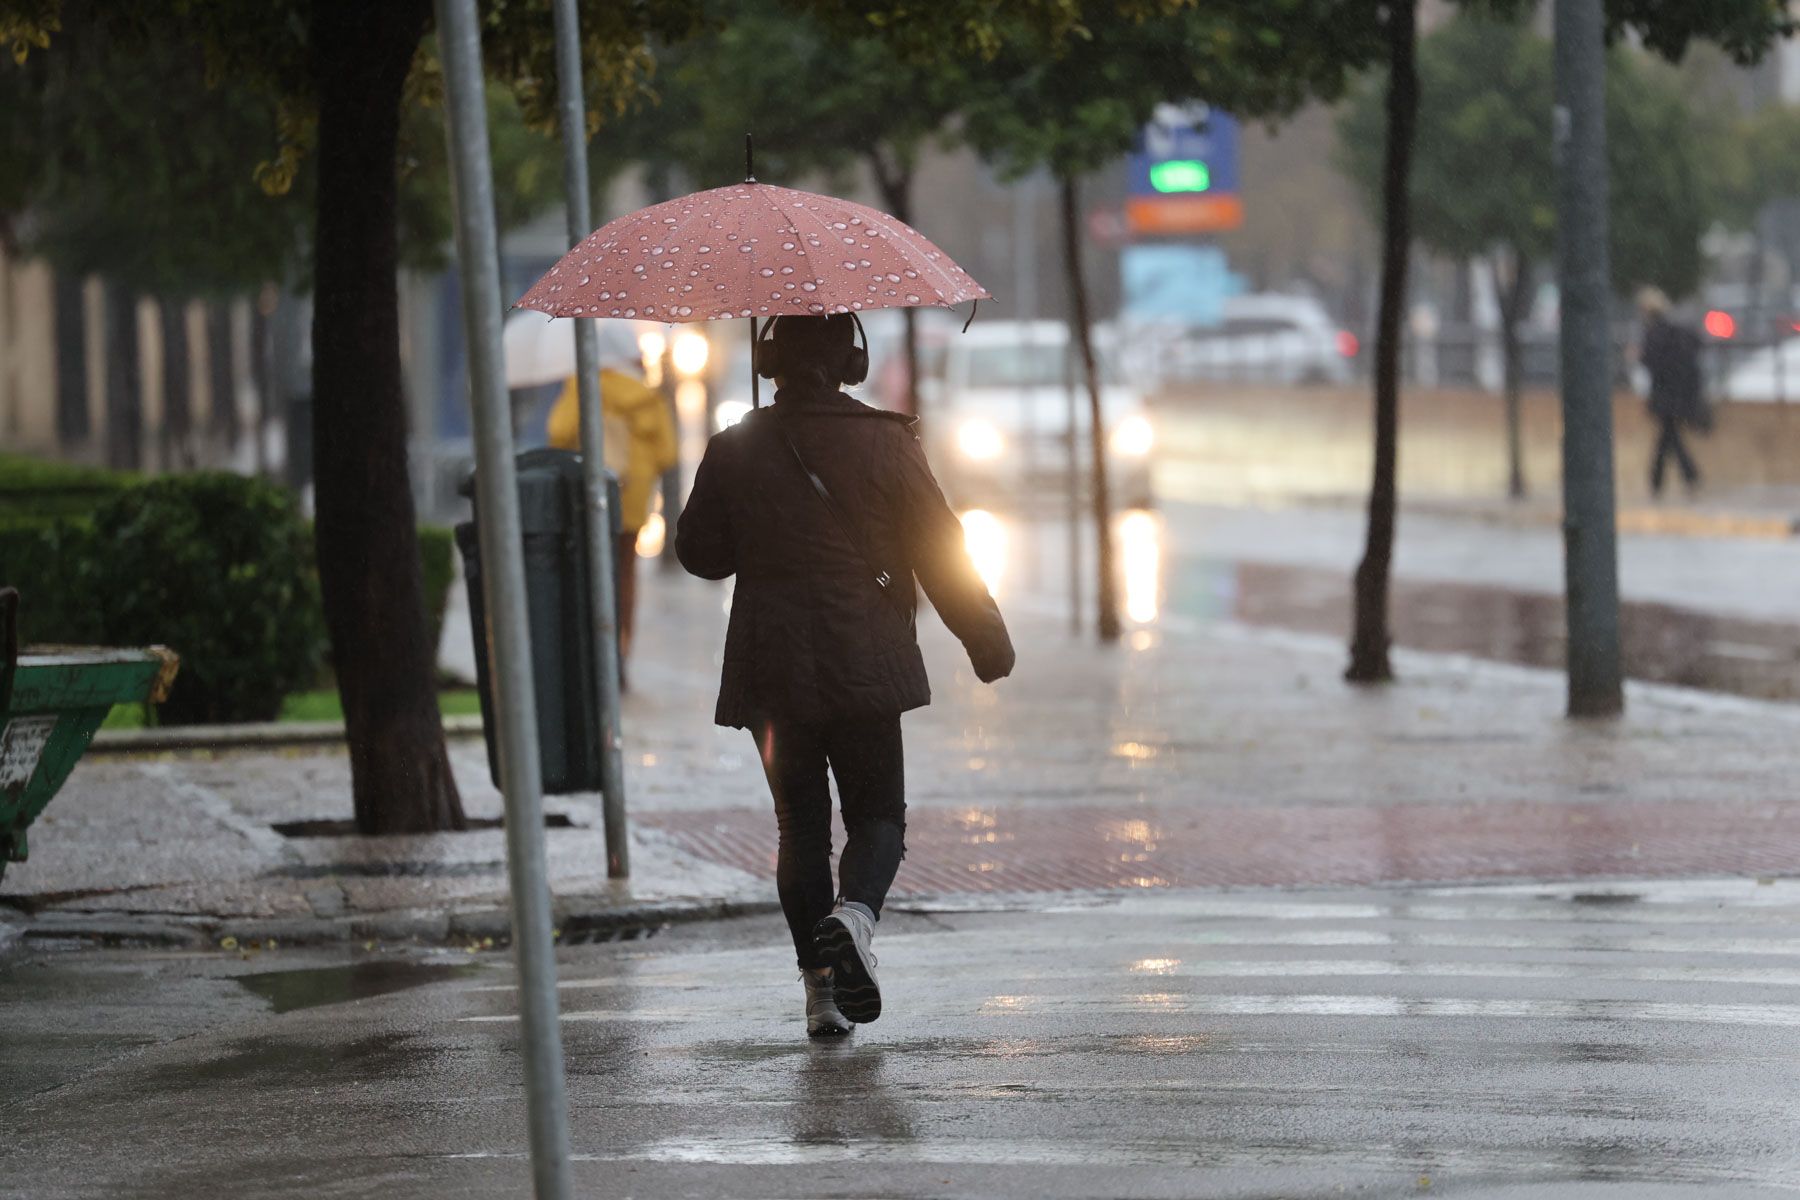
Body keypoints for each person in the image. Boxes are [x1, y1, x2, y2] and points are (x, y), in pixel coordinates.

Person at [675, 313, 1015, 1037]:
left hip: (771, 664)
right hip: (866, 654)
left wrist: (744, 485)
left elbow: (701, 555)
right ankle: (855, 918)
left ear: (768, 359)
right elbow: (940, 549)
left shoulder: (735, 445)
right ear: (853, 359)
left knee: (799, 828)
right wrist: (985, 639)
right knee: (877, 817)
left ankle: (820, 992)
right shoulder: (888, 441)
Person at [546, 327, 678, 676]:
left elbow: (558, 431)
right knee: (625, 574)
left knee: (591, 572)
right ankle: (622, 652)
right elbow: (668, 452)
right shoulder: (646, 395)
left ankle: (593, 653)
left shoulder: (583, 386)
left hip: (592, 496)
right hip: (632, 501)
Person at [1637, 288, 1706, 497]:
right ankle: (1665, 480)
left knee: (1669, 437)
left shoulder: (1655, 333)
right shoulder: (1674, 330)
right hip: (1679, 394)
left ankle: (1674, 478)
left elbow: (1652, 363)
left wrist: (1639, 357)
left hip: (1666, 396)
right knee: (1668, 437)